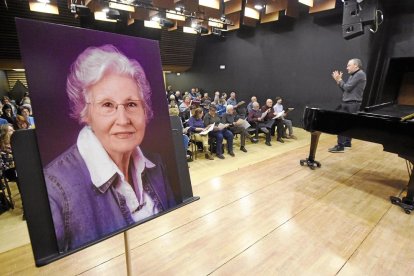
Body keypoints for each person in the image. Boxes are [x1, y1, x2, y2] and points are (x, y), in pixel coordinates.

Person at [43, 44, 176, 252]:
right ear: (85, 113)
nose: (123, 119)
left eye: (131, 104)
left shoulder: (156, 164)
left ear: (144, 110)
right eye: (107, 105)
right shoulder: (54, 190)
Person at [330, 58, 367, 153]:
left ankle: (340, 146)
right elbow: (346, 90)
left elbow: (347, 87)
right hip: (351, 103)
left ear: (356, 65)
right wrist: (338, 81)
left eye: (348, 65)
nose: (347, 68)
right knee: (349, 124)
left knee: (341, 124)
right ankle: (347, 143)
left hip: (351, 104)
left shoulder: (359, 74)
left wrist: (340, 79)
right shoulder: (354, 75)